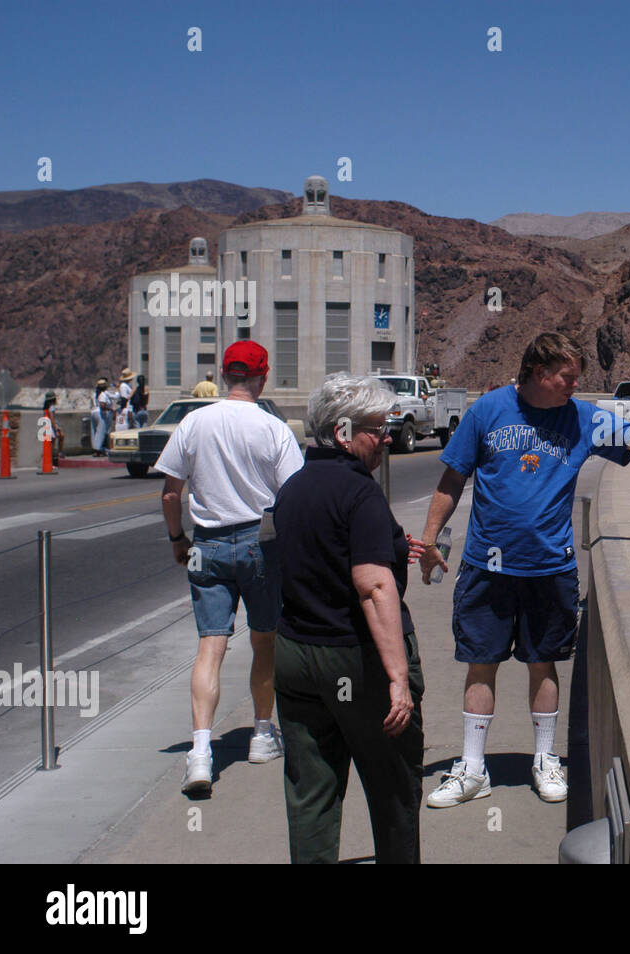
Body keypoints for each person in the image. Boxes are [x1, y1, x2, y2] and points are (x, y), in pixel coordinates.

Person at [418, 332, 630, 809]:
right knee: (481, 662)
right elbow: (452, 477)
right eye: (568, 377)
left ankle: (545, 760)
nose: (575, 385)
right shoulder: (488, 411)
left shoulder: (581, 417)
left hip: (550, 567)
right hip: (487, 566)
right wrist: (431, 538)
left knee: (543, 662)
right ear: (539, 373)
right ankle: (473, 767)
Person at [271, 374, 427, 863]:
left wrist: (399, 547)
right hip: (356, 662)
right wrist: (397, 679)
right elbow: (372, 585)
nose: (386, 436)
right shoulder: (361, 495)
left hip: (296, 657)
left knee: (310, 792)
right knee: (393, 791)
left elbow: (320, 554)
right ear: (342, 432)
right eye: (377, 427)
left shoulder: (293, 488)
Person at [156, 341, 304, 796]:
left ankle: (201, 750)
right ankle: (262, 734)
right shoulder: (273, 428)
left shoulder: (193, 422)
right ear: (263, 377)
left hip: (209, 543)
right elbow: (294, 495)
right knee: (265, 641)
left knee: (210, 646)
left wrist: (179, 539)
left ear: (224, 375)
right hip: (262, 543)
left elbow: (169, 493)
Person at [90, 379, 113, 457]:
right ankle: (98, 449)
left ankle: (96, 448)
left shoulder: (94, 394)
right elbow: (102, 405)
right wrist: (110, 409)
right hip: (99, 413)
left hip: (93, 412)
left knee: (94, 431)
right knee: (101, 432)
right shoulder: (103, 394)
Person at [41, 393, 64, 464]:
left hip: (50, 425)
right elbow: (52, 418)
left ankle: (58, 454)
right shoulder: (51, 408)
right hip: (50, 426)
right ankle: (50, 459)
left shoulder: (48, 407)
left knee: (61, 437)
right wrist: (56, 428)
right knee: (52, 442)